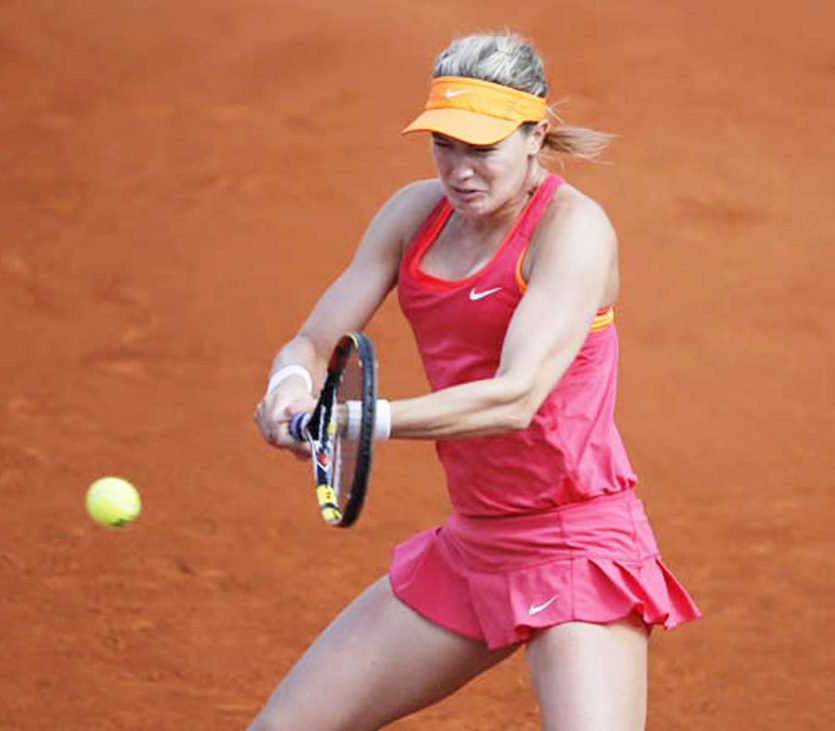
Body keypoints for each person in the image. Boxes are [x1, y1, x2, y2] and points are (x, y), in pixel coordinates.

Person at [251, 32, 700, 731]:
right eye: (444, 146)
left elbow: (516, 396)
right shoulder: (411, 215)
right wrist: (289, 383)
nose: (460, 171)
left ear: (534, 136)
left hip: (576, 545)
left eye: (481, 149)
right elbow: (315, 340)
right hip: (473, 547)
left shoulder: (572, 230)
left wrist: (356, 420)